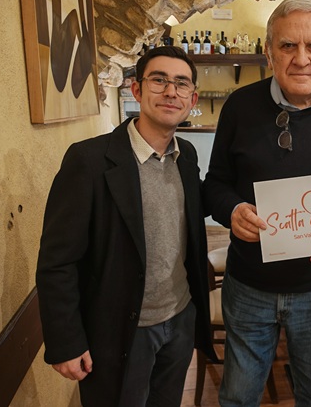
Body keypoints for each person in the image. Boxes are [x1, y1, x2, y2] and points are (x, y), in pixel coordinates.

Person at [202, 0, 311, 406]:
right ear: (269, 52)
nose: (301, 58)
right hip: (248, 285)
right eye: (287, 46)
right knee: (238, 397)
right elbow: (215, 185)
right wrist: (232, 210)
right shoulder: (240, 106)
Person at [36, 46, 216, 407]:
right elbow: (57, 261)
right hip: (121, 330)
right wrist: (66, 341)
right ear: (136, 89)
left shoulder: (186, 156)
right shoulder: (89, 161)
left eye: (182, 84)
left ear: (192, 98)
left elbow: (195, 214)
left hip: (179, 320)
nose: (171, 91)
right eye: (159, 80)